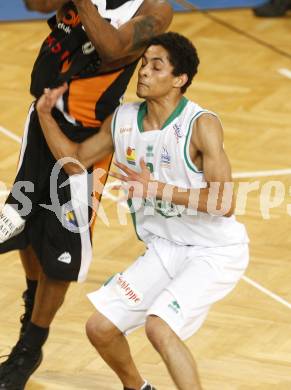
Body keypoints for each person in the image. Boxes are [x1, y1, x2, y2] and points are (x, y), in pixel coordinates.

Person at [35, 32, 249, 390]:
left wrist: (156, 189)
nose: (144, 72)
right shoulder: (123, 119)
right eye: (144, 63)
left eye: (156, 65)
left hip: (214, 251)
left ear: (179, 80)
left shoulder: (201, 126)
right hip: (165, 248)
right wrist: (44, 115)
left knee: (159, 327)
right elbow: (76, 163)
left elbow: (223, 203)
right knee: (100, 329)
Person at [0, 1, 172, 389]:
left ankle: (30, 349)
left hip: (87, 140)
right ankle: (32, 304)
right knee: (25, 224)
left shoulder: (155, 9)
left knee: (61, 253)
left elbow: (112, 48)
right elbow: (33, 4)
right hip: (42, 117)